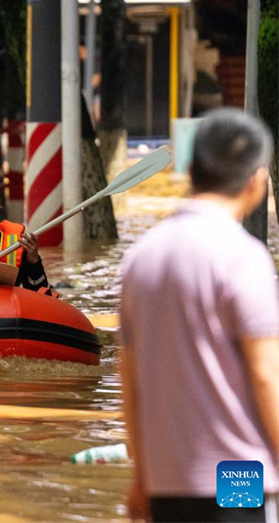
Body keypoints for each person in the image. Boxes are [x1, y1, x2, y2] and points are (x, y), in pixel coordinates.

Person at [119, 108, 279, 523]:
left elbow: (130, 381)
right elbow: (266, 375)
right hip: (236, 472)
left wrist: (141, 477)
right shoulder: (243, 255)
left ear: (190, 169)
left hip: (165, 479)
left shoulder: (141, 257)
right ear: (257, 180)